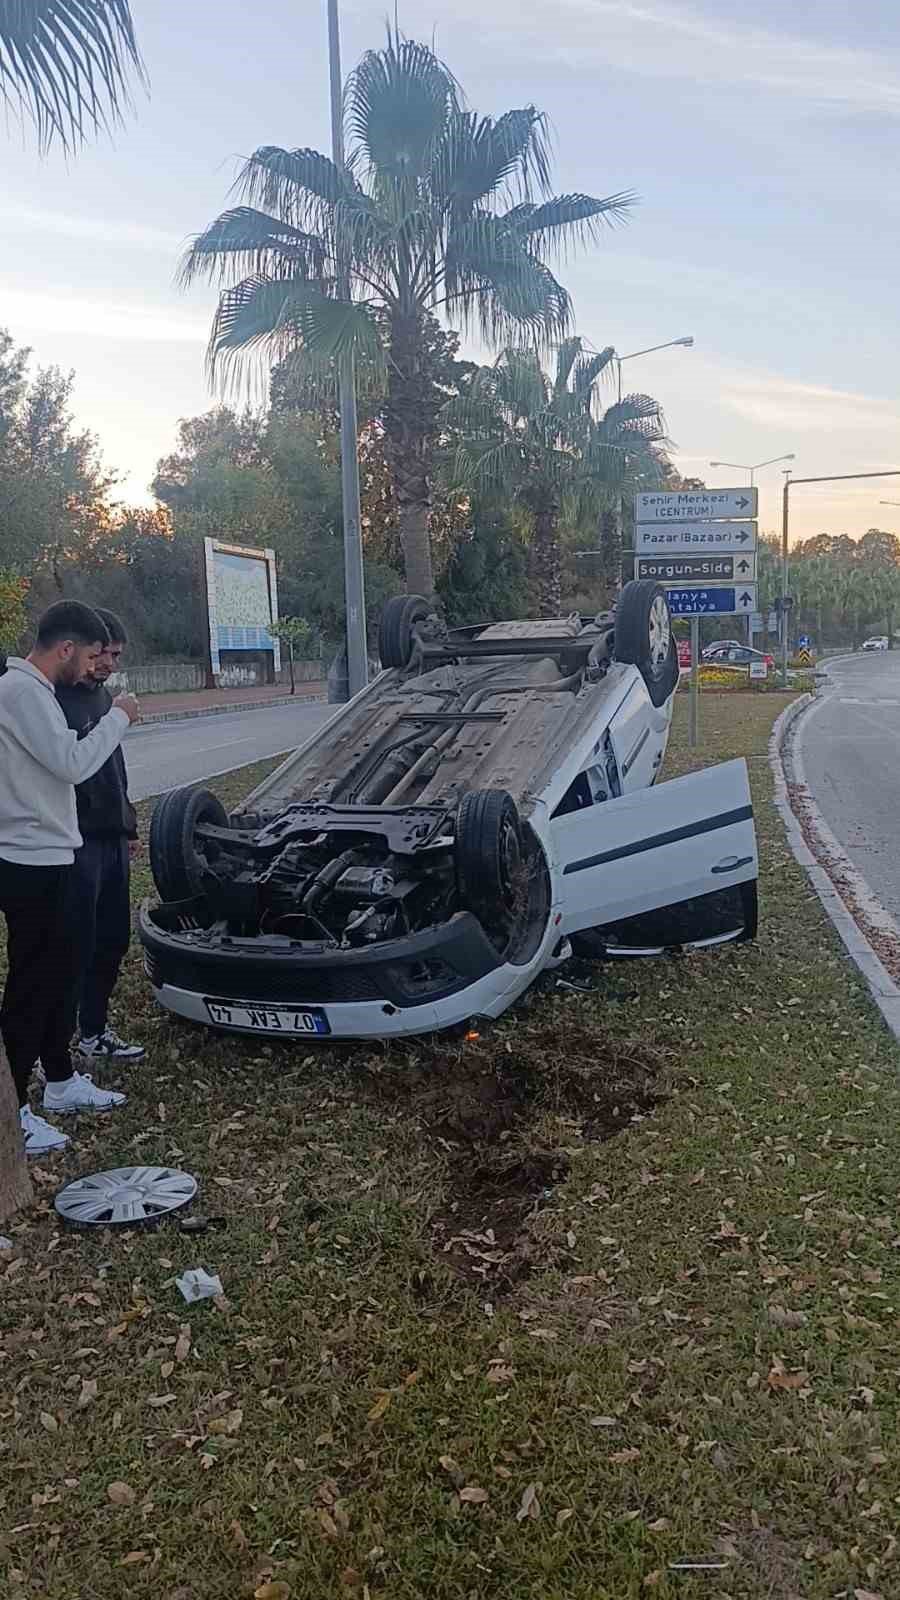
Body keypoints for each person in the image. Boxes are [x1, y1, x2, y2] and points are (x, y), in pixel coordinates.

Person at [0, 601, 140, 1156]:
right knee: (31, 989)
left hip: (52, 852)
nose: (91, 667)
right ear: (64, 649)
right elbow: (72, 763)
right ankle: (14, 1113)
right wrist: (121, 717)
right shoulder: (22, 693)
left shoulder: (29, 693)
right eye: (87, 655)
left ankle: (58, 1083)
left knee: (58, 978)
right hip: (29, 861)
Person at [56, 607, 144, 1063]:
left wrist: (126, 823)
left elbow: (114, 767)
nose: (109, 664)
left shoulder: (102, 696)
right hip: (75, 841)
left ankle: (94, 1031)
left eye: (115, 655)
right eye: (105, 653)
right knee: (75, 943)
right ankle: (58, 1046)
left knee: (113, 940)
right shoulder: (53, 697)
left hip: (111, 838)